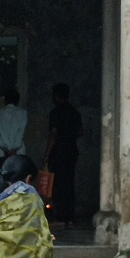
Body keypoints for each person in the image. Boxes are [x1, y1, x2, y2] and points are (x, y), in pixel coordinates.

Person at [46, 83, 84, 227]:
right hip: (71, 151)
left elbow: (53, 135)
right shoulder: (74, 112)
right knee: (69, 184)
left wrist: (46, 154)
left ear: (56, 96)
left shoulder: (55, 113)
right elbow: (80, 132)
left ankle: (61, 216)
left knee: (58, 185)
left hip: (58, 153)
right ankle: (69, 217)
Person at [0, 87, 28, 159]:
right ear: (17, 100)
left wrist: (5, 149)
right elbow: (20, 132)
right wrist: (14, 149)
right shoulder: (22, 113)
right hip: (18, 152)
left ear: (5, 100)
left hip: (0, 152)